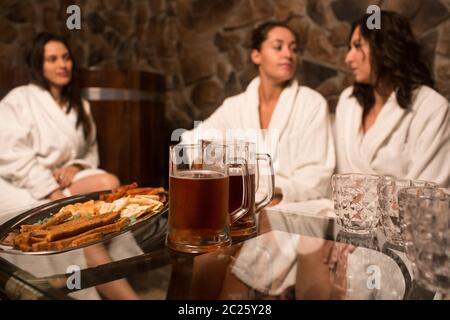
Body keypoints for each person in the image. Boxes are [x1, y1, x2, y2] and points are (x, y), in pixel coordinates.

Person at [181, 21, 335, 204]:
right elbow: (193, 141)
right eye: (278, 47)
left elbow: (317, 175)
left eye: (294, 49)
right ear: (256, 55)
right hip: (241, 206)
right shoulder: (235, 107)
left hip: (293, 208)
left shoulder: (311, 103)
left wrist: (275, 196)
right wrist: (224, 176)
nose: (288, 54)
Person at [0, 32, 120, 219]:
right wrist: (54, 194)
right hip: (25, 182)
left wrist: (75, 167)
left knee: (109, 182)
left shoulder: (80, 106)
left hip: (65, 180)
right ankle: (87, 243)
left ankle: (89, 236)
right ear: (38, 65)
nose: (63, 65)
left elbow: (89, 150)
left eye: (66, 58)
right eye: (52, 59)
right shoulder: (19, 100)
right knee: (81, 224)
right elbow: (13, 157)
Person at [335, 11, 450, 187]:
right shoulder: (348, 102)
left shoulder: (431, 108)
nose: (348, 58)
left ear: (384, 46)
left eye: (357, 46)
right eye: (350, 48)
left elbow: (429, 190)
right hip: (348, 212)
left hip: (407, 214)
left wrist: (366, 201)